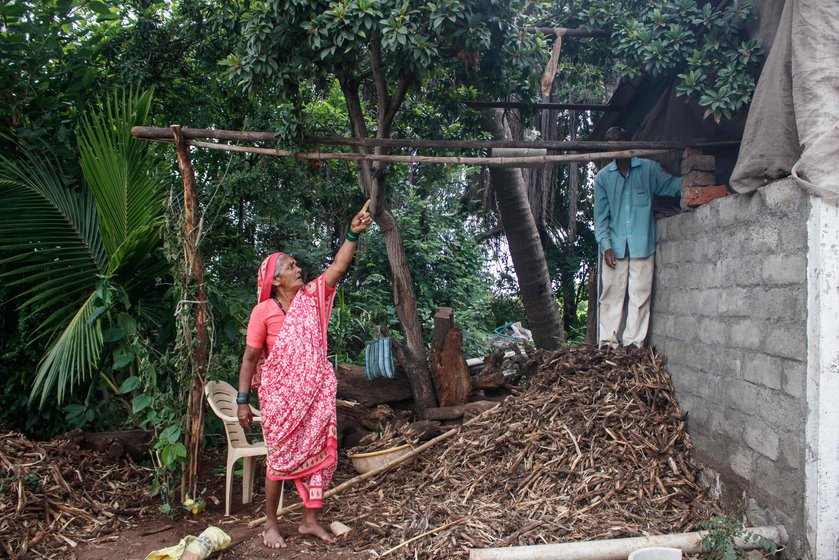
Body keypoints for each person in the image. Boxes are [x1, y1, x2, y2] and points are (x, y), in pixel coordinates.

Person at [237, 200, 372, 549]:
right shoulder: (262, 311)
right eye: (291, 266)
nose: (299, 269)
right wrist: (242, 401)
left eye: (297, 265)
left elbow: (339, 266)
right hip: (280, 400)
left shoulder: (311, 298)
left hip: (314, 397)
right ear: (275, 278)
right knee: (279, 460)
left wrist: (352, 232)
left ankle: (308, 521)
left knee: (320, 456)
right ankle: (270, 524)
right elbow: (250, 358)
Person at [594, 127, 681, 348]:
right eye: (612, 145)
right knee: (611, 295)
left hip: (642, 244)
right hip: (615, 246)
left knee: (640, 295)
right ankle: (608, 344)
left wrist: (695, 182)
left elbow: (671, 185)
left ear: (628, 143)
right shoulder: (603, 178)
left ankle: (634, 343)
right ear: (608, 150)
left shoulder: (648, 169)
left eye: (620, 142)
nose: (617, 148)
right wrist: (606, 246)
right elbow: (601, 217)